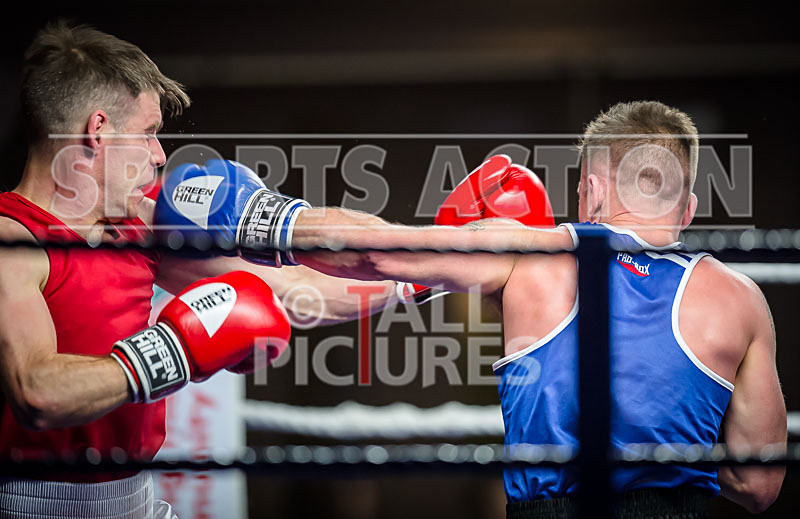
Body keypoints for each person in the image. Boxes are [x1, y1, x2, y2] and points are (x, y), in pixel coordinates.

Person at [229, 101, 785, 516]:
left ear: (589, 191)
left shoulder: (532, 253)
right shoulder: (741, 300)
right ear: (686, 208)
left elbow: (375, 252)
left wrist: (253, 213)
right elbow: (759, 487)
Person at [0, 21, 396, 518]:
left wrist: (423, 274)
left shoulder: (136, 224)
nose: (159, 155)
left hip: (137, 498)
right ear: (98, 132)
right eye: (147, 135)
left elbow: (291, 288)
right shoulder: (13, 238)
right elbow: (38, 392)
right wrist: (175, 351)